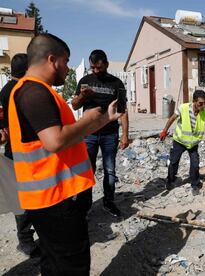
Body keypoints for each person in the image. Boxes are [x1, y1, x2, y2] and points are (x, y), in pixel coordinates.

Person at [8, 33, 122, 275]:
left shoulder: (38, 91)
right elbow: (56, 141)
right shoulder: (33, 92)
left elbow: (68, 135)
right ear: (52, 60)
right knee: (72, 265)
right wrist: (91, 117)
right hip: (53, 199)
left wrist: (103, 119)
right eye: (66, 61)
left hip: (54, 196)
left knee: (55, 262)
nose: (68, 69)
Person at [71, 49, 129, 217]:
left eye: (99, 68)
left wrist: (125, 135)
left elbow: (123, 111)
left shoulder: (117, 83)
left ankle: (109, 202)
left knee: (110, 170)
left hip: (110, 134)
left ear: (106, 65)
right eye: (93, 68)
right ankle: (85, 205)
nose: (96, 71)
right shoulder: (85, 81)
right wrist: (82, 95)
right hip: (89, 134)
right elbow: (75, 105)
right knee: (87, 169)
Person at [0, 53, 41, 258]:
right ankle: (25, 241)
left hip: (13, 152)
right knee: (25, 199)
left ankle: (26, 238)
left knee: (23, 198)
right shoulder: (20, 91)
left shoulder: (5, 90)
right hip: (22, 153)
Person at [160, 90, 205, 195]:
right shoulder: (183, 108)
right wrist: (164, 131)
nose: (202, 106)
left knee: (195, 164)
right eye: (200, 103)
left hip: (193, 144)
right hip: (179, 141)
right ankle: (170, 180)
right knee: (174, 162)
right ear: (194, 101)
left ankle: (195, 184)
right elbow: (172, 119)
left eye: (204, 103)